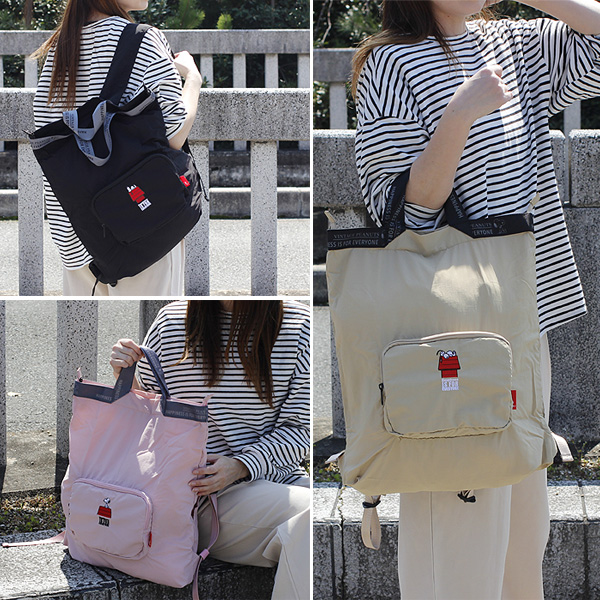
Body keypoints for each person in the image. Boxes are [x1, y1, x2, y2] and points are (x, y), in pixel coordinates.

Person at [352, 0, 600, 598]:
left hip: (524, 323)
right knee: (460, 542)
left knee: (523, 538)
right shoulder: (391, 62)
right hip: (449, 338)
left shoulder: (516, 43)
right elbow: (404, 214)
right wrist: (460, 114)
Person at [109, 299, 310, 600]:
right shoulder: (172, 321)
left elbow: (300, 430)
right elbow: (149, 421)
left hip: (276, 481)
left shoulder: (298, 325)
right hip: (197, 498)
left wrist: (240, 465)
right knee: (309, 517)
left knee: (317, 516)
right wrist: (125, 376)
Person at [33, 0, 202, 296]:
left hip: (78, 237)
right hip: (141, 229)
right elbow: (174, 134)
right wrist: (193, 79)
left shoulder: (60, 47)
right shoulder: (143, 38)